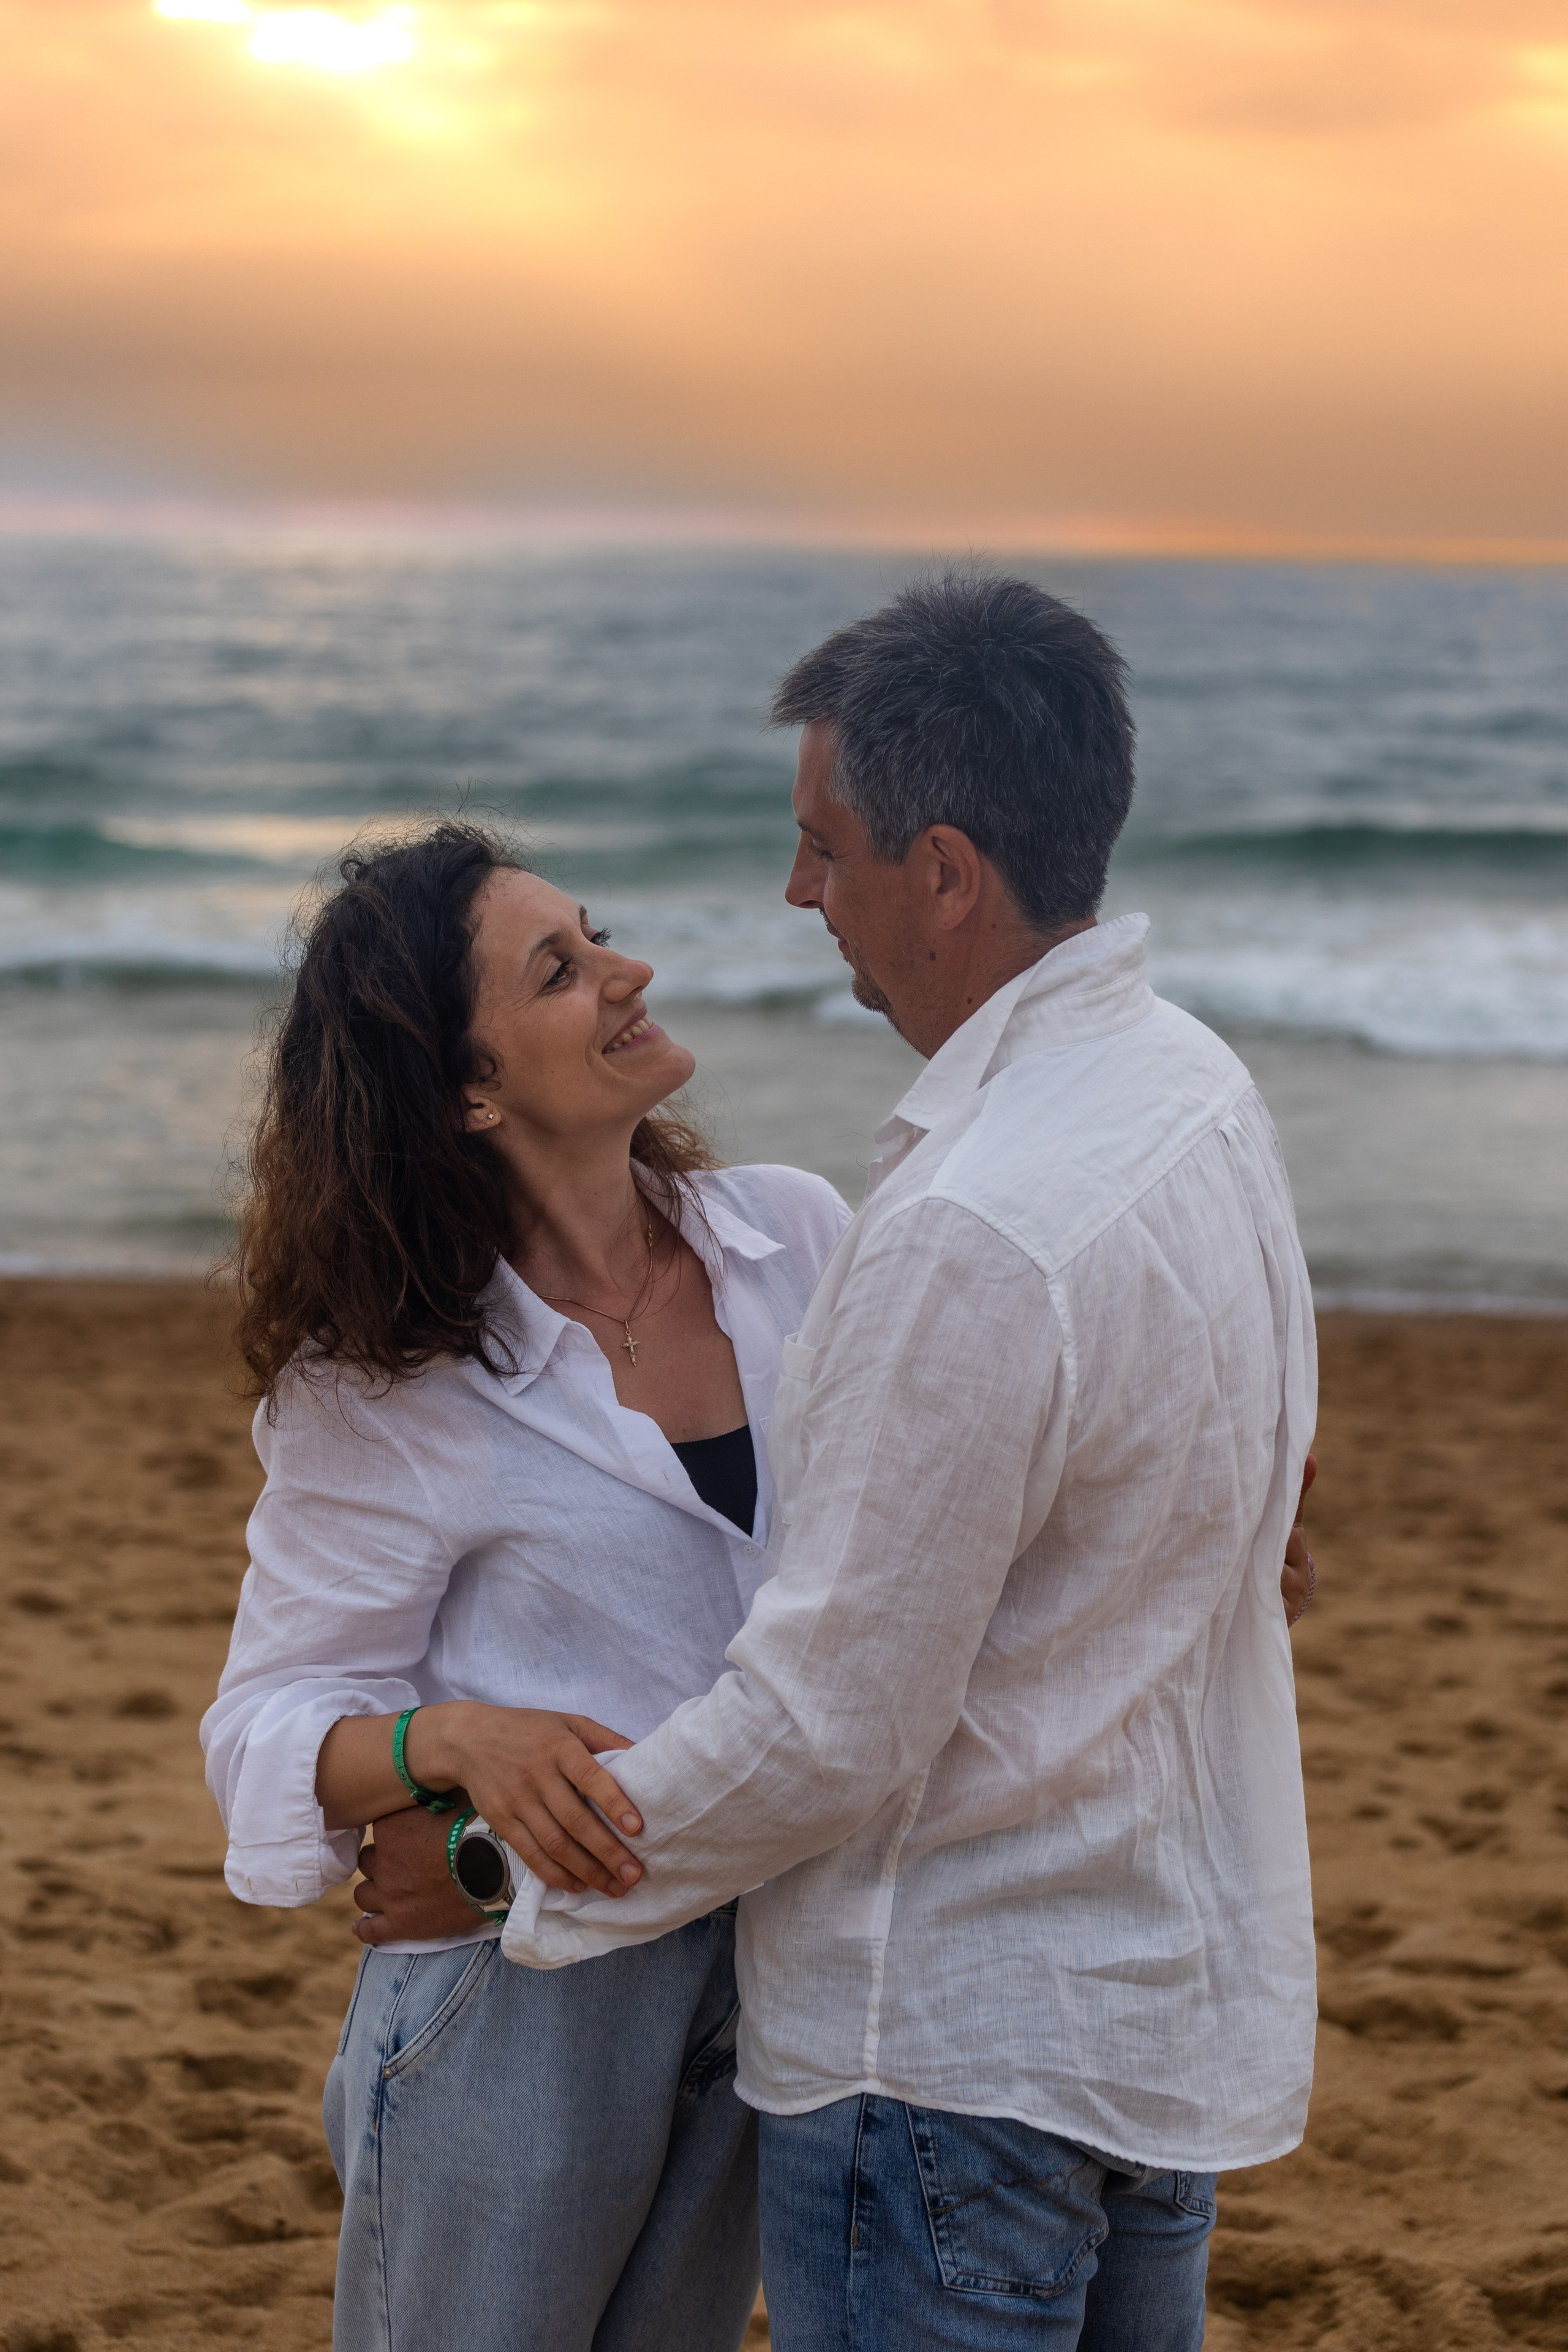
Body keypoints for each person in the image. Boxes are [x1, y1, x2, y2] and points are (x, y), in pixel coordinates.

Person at [372, 570, 1320, 2351]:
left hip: (945, 2063)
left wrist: (508, 1883)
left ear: (944, 871)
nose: (802, 893)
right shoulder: (1200, 1096)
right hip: (1153, 2026)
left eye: (826, 847)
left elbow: (833, 1727)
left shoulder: (965, 1225)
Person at [200, 821, 856, 2352]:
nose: (628, 974)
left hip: (763, 1969)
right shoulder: (384, 1386)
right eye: (560, 969)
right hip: (516, 2006)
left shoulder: (802, 1244)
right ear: (465, 1089)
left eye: (598, 933)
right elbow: (262, 1727)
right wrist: (454, 1749)